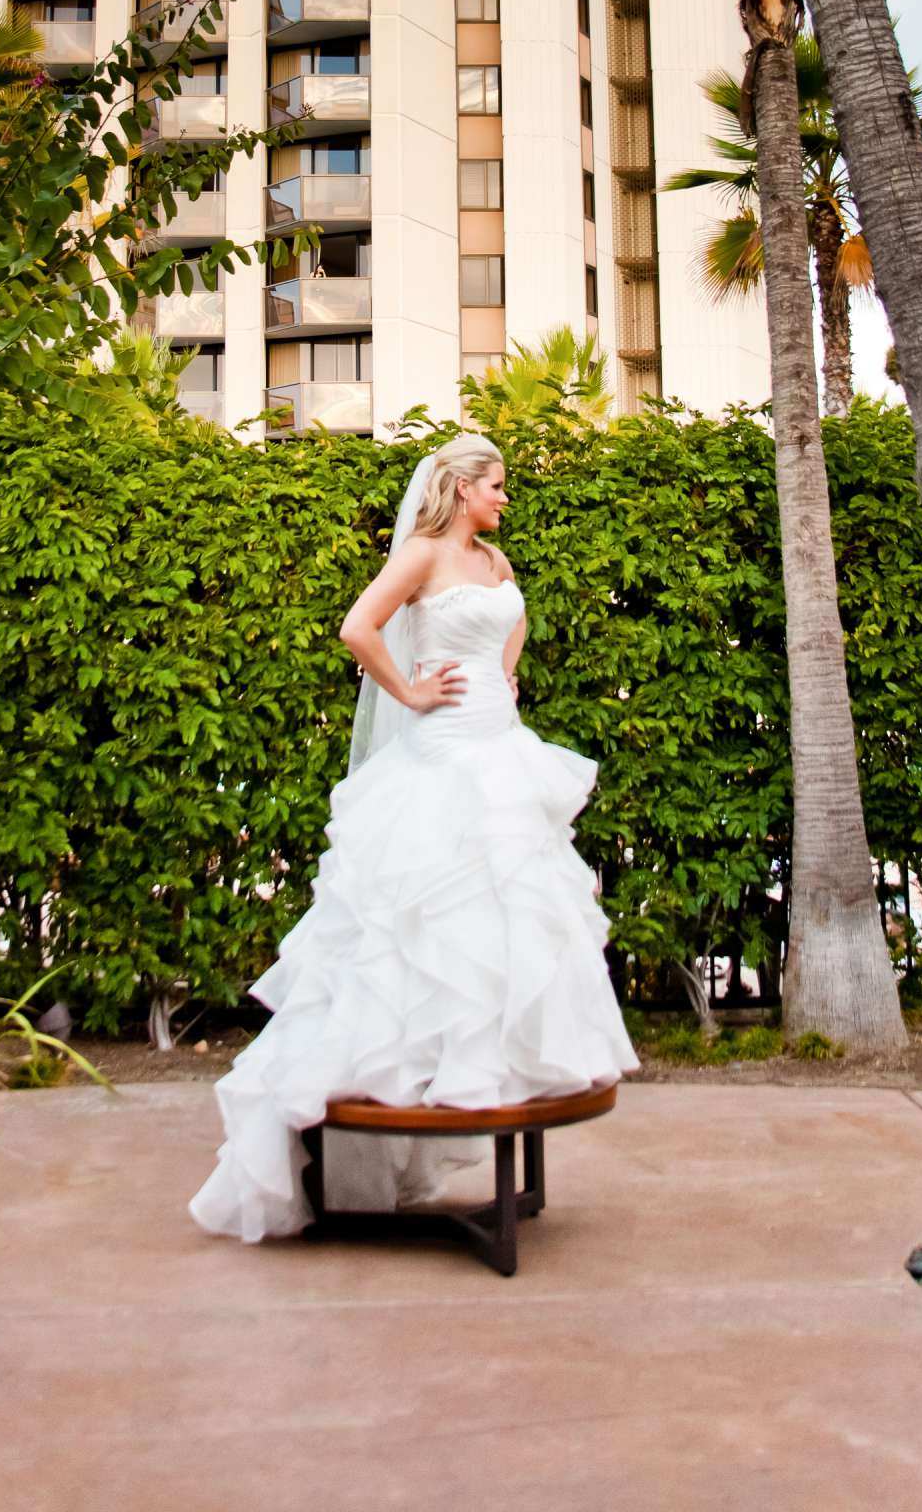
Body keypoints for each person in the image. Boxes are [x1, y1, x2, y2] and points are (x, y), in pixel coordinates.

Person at [188, 431, 638, 1244]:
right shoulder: (424, 555)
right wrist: (412, 691)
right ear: (463, 489)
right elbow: (359, 628)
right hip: (440, 758)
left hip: (502, 752)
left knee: (510, 917)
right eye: (496, 486)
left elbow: (515, 621)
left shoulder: (496, 567)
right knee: (422, 921)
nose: (506, 498)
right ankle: (379, 1094)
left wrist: (506, 673)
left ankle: (488, 1077)